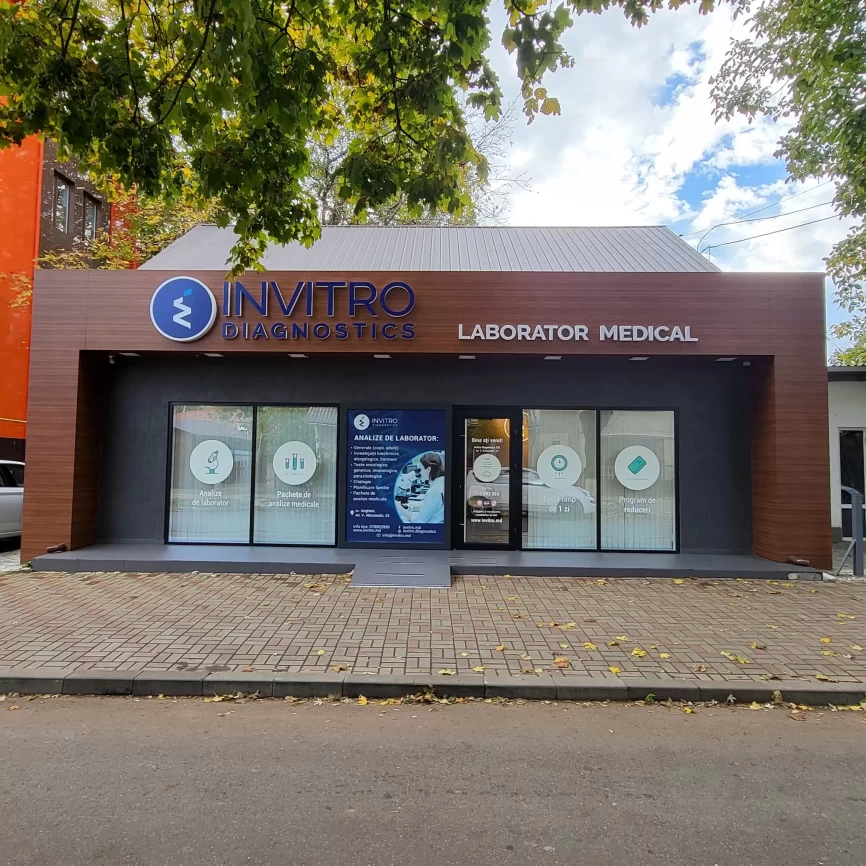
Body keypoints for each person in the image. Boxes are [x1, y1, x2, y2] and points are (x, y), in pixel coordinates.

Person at [400, 452, 445, 524]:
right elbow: (432, 507)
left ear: (428, 469)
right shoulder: (443, 482)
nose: (420, 473)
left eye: (420, 469)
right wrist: (412, 507)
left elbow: (419, 520)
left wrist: (400, 509)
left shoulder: (434, 491)